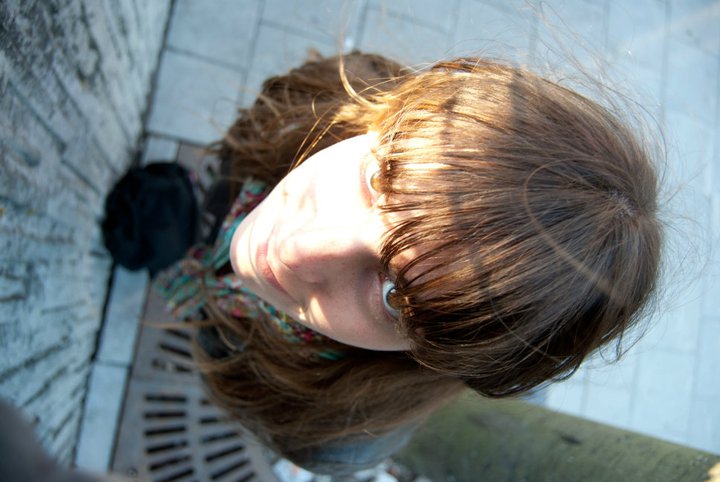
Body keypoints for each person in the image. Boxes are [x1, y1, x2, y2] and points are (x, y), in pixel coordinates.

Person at [156, 52, 662, 477]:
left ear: (431, 358)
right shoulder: (326, 95)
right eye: (378, 179)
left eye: (394, 297)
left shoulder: (329, 433)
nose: (293, 251)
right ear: (395, 112)